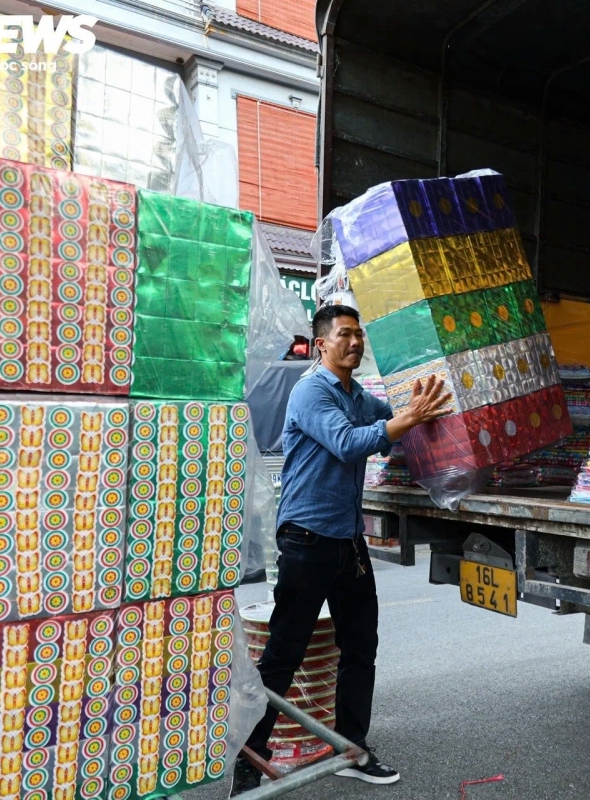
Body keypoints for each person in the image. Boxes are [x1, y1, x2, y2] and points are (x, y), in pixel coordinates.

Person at [234, 304, 451, 791]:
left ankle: (353, 747)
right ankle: (249, 758)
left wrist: (419, 406)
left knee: (361, 649)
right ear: (321, 345)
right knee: (283, 655)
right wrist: (405, 419)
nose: (355, 343)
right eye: (345, 335)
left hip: (348, 545)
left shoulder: (358, 394)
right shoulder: (311, 391)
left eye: (359, 336)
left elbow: (390, 421)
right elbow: (350, 443)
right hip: (306, 541)